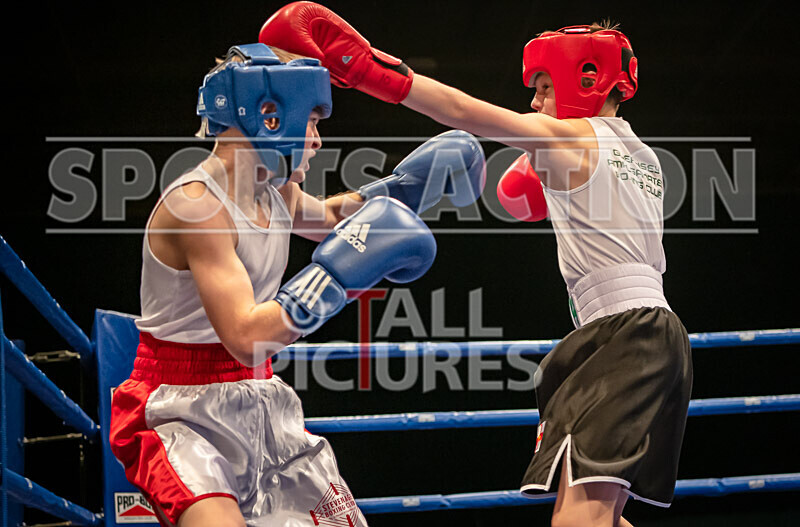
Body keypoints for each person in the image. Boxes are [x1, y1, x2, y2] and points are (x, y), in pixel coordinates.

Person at [259, 5, 693, 526]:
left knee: (579, 519)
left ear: (588, 79)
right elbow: (530, 200)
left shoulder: (571, 139)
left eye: (543, 88)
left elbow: (464, 111)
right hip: (650, 335)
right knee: (599, 511)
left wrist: (370, 71)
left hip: (623, 337)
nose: (534, 102)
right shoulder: (644, 157)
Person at [109, 43, 485, 527]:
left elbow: (329, 217)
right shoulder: (197, 207)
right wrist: (338, 277)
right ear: (269, 115)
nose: (316, 140)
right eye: (311, 121)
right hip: (180, 412)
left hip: (259, 396)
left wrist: (403, 188)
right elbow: (246, 337)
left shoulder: (273, 189)